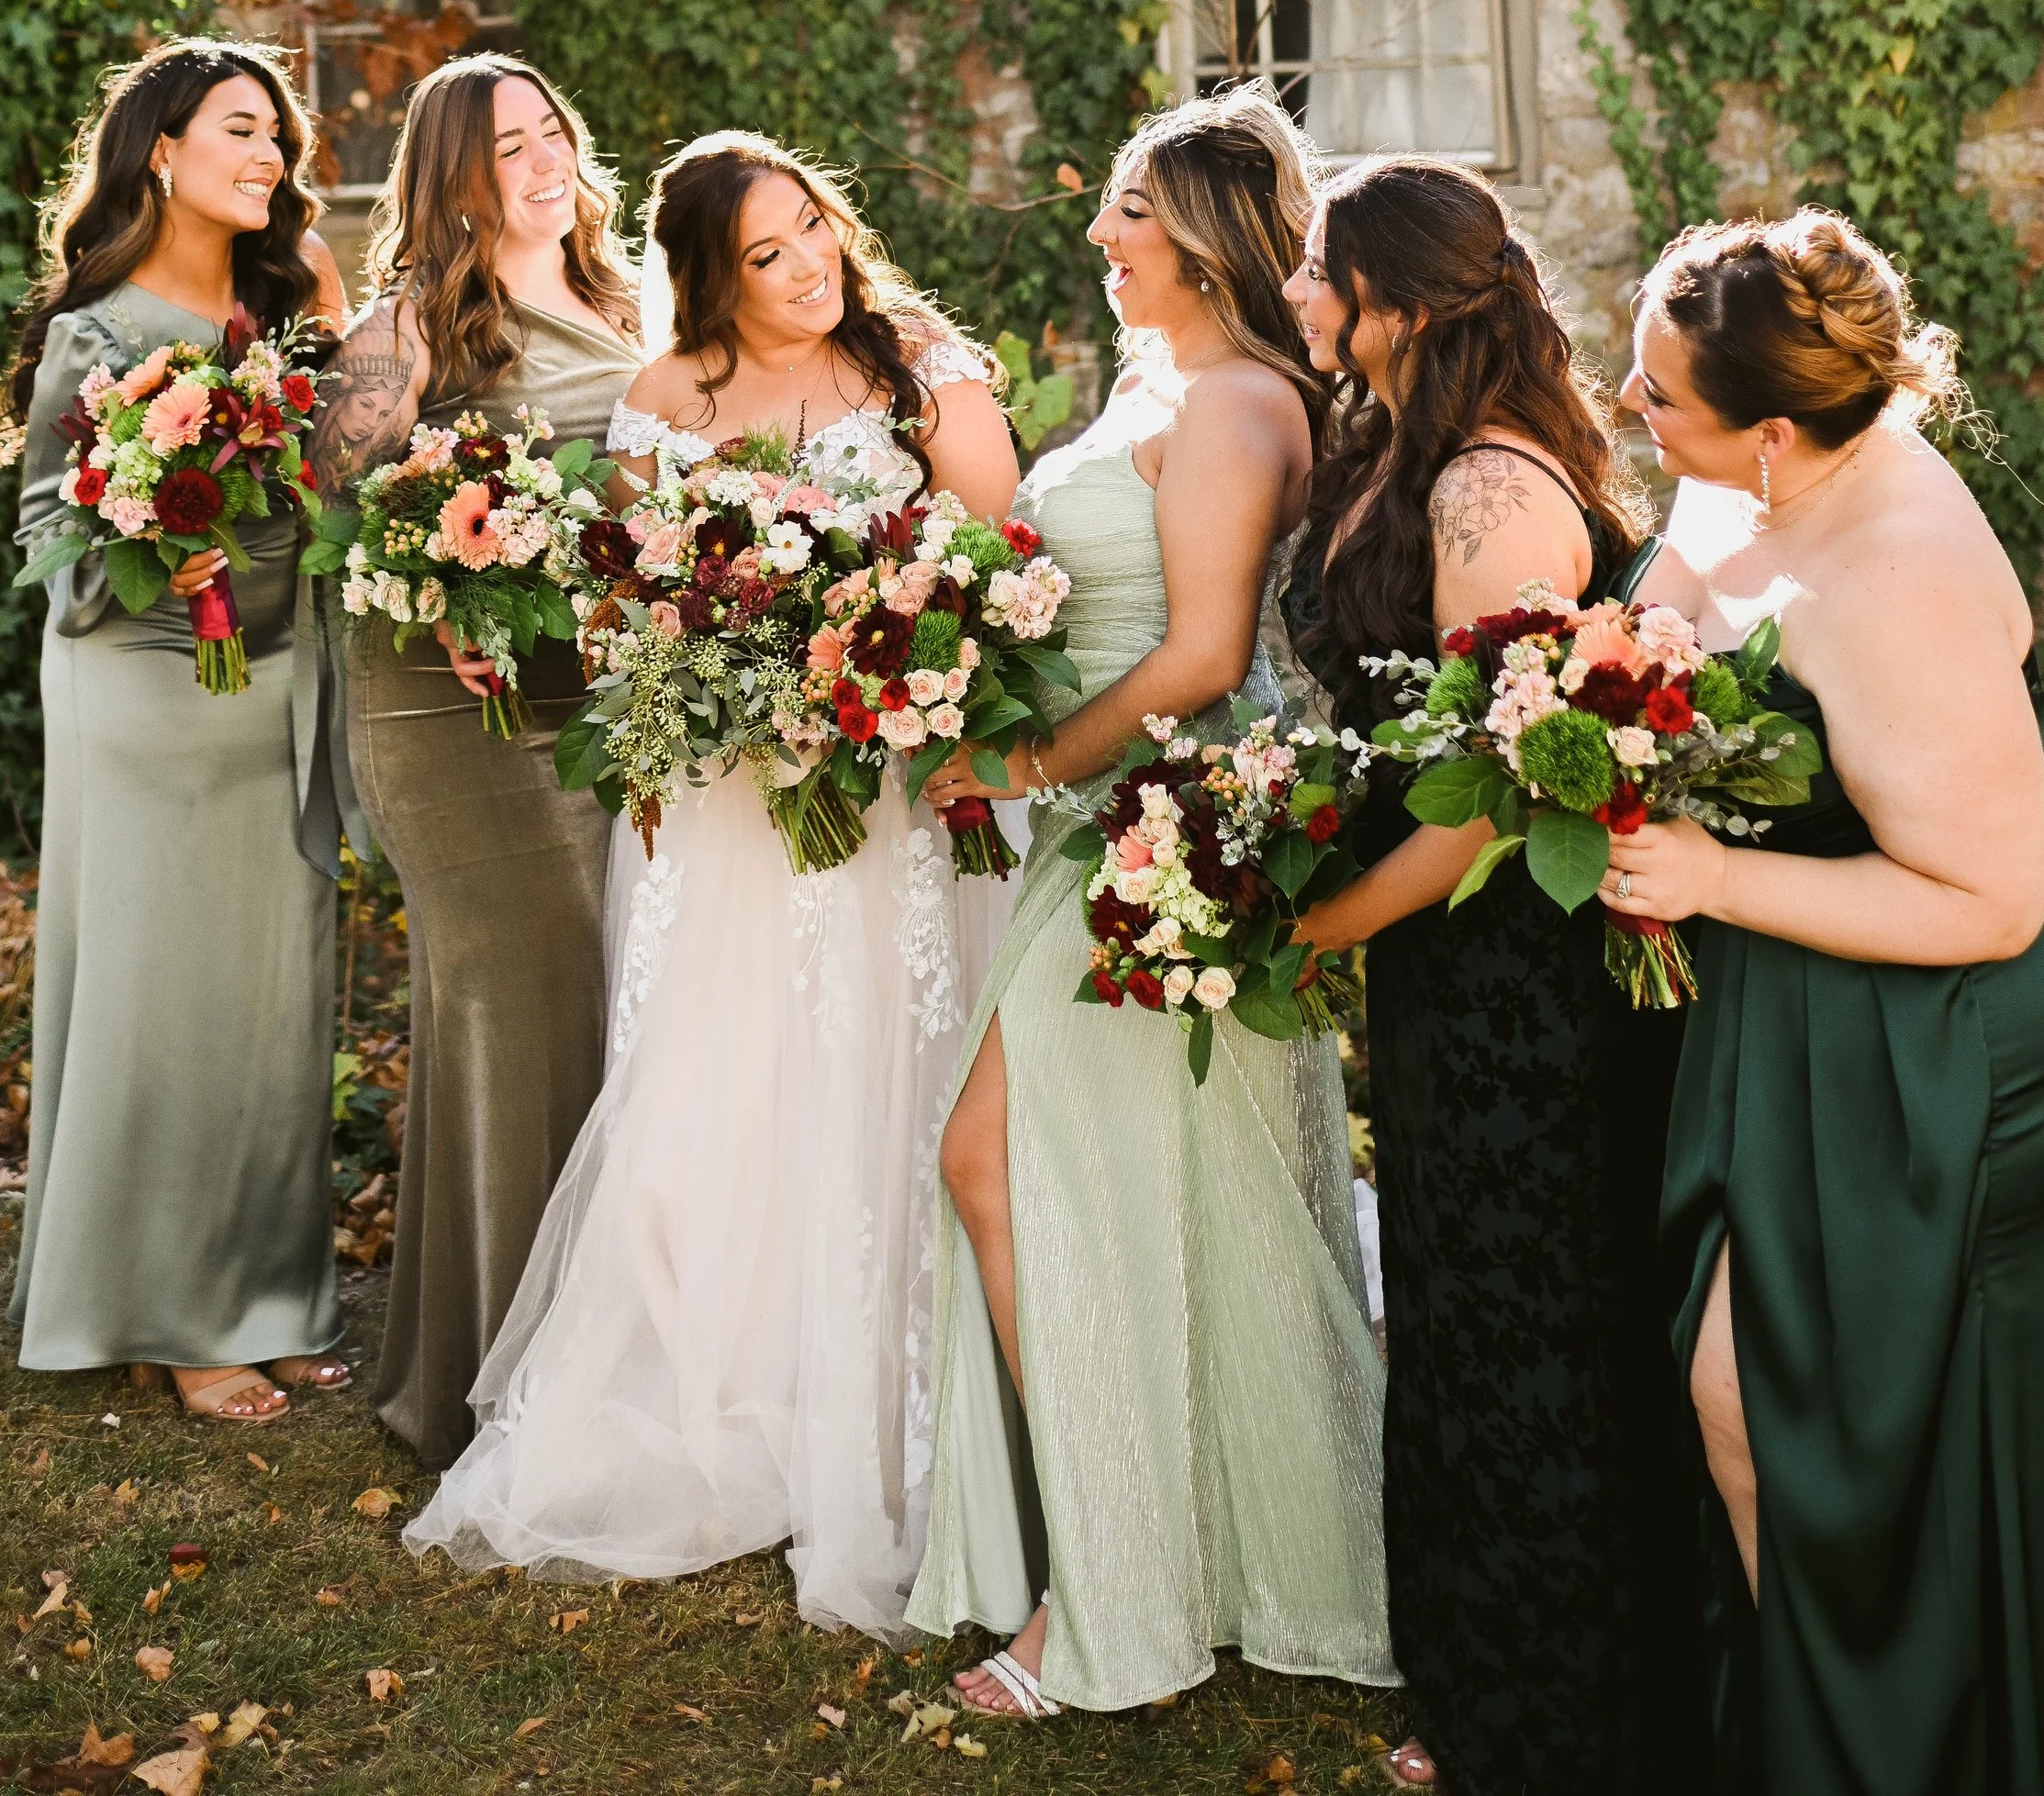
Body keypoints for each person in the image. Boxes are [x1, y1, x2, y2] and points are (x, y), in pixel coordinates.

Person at [406, 128, 1020, 1634]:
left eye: (814, 225)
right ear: (707, 278)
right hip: (721, 800)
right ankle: (722, 1400)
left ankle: (896, 1407)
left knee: (885, 1070)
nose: (810, 262)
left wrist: (874, 645)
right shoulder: (666, 399)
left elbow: (998, 555)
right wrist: (719, 656)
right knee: (720, 1083)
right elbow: (619, 611)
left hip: (879, 791)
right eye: (767, 251)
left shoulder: (919, 360)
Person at [1603, 208, 2044, 1796]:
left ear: (1771, 427)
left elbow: (1992, 898)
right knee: (1738, 1398)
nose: (1632, 408)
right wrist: (1610, 670)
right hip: (1817, 992)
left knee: (1846, 1429)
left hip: (1959, 1028)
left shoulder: (1897, 575)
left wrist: (1708, 877)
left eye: (1658, 393)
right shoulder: (1750, 462)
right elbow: (1675, 578)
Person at [909, 88, 1393, 1722]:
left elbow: (1199, 653)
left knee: (998, 1158)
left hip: (1175, 837)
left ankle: (1109, 1584)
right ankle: (1156, 1551)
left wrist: (1031, 750)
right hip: (1100, 825)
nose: (1101, 232)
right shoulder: (1151, 381)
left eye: (1128, 208)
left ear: (1199, 233)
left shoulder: (1250, 400)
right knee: (1146, 1194)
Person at [1279, 154, 1714, 1796]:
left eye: (1325, 274)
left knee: (1533, 1322)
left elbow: (1502, 796)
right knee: (1460, 1312)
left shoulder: (1490, 495)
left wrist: (1323, 925)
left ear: (1394, 301)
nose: (1304, 299)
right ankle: (1476, 1679)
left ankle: (1558, 1716)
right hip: (1446, 966)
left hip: (1517, 971)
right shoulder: (1404, 452)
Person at [0, 38, 350, 1423]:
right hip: (136, 685)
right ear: (162, 149)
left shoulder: (286, 325)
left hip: (278, 686)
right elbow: (43, 526)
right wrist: (137, 549)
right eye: (241, 130)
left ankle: (266, 1293)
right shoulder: (96, 333)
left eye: (278, 138)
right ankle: (169, 1311)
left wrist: (326, 306)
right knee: (163, 999)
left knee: (272, 998)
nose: (270, 157)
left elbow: (342, 489)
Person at [317, 53, 642, 1468]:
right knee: (535, 979)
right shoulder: (411, 328)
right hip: (453, 715)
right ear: (453, 174)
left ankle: (588, 1346)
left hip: (602, 704)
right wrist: (439, 583)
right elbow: (329, 500)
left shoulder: (629, 303)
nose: (541, 159)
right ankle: (500, 1380)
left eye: (552, 131)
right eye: (505, 145)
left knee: (602, 984)